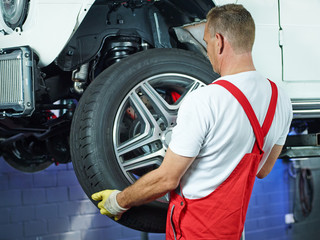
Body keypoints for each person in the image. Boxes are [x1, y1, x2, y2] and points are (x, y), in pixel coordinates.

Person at [92, 4, 293, 239]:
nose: (207, 52)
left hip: (193, 232)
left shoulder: (205, 99)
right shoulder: (281, 99)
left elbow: (167, 178)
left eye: (207, 43)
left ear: (219, 41)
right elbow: (263, 169)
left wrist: (118, 201)